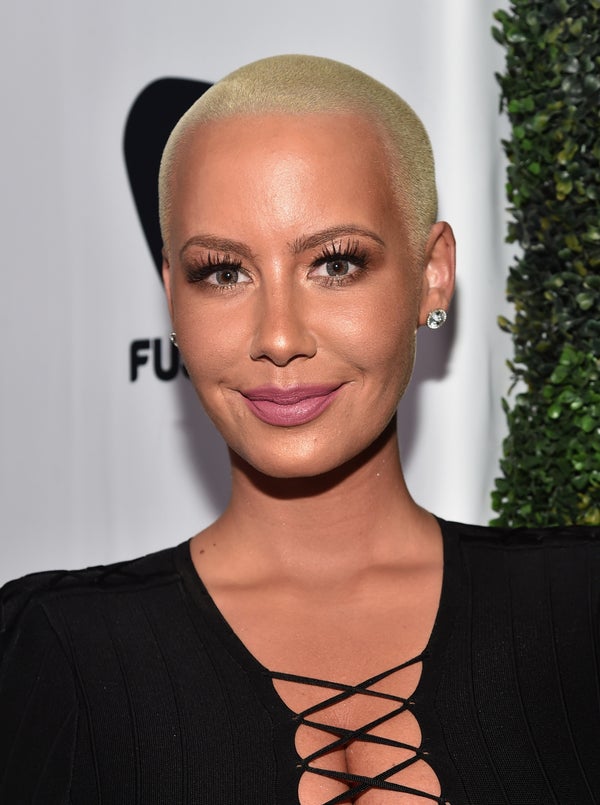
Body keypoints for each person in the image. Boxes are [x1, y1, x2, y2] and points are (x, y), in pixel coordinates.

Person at [1, 55, 598, 805]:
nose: (278, 337)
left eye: (335, 264)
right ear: (172, 296)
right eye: (223, 272)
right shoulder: (52, 652)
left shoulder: (582, 607)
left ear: (431, 274)